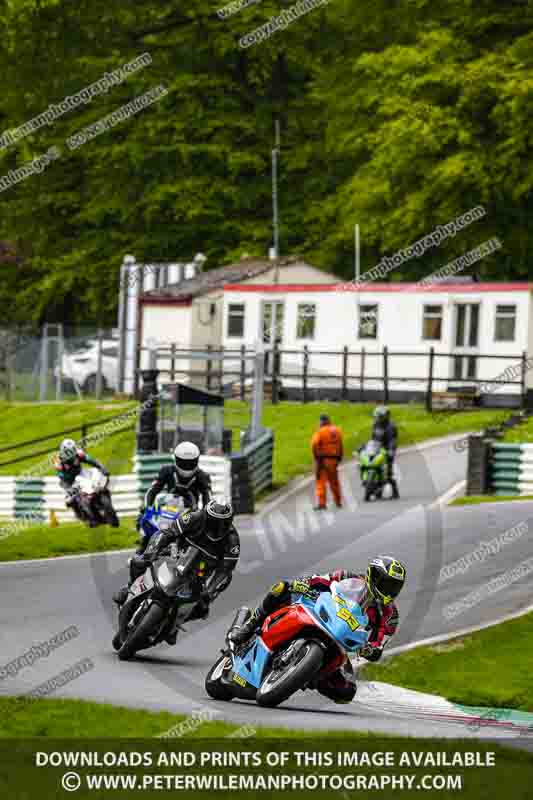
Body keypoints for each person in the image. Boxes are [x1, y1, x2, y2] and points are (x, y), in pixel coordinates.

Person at [229, 556, 406, 703]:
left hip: (340, 641)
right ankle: (248, 625)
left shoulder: (390, 615)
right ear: (374, 576)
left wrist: (371, 649)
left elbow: (379, 644)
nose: (389, 591)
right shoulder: (347, 577)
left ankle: (306, 675)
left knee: (346, 693)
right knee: (281, 588)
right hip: (317, 613)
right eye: (386, 584)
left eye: (394, 587)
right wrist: (303, 584)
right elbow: (320, 580)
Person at [114, 500, 240, 641]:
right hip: (177, 555)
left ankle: (175, 625)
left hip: (201, 573)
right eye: (213, 522)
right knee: (139, 561)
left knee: (202, 608)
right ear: (206, 517)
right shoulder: (194, 517)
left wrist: (209, 592)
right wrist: (151, 552)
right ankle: (130, 587)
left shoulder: (232, 540)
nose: (217, 527)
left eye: (222, 524)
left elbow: (225, 570)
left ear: (229, 522)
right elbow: (168, 532)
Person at [137, 441, 212, 534]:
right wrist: (147, 507)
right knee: (144, 522)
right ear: (176, 459)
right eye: (183, 462)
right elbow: (152, 490)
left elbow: (207, 497)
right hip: (167, 510)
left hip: (189, 515)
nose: (187, 466)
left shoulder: (202, 476)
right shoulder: (166, 470)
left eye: (190, 463)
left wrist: (205, 514)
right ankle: (145, 545)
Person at [55, 438, 111, 527]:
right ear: (63, 450)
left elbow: (91, 460)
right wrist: (70, 488)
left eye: (72, 450)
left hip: (81, 475)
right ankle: (83, 517)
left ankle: (104, 503)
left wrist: (101, 467)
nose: (71, 453)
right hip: (68, 481)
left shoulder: (79, 454)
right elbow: (60, 475)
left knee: (97, 482)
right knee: (70, 500)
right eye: (68, 451)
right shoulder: (59, 461)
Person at [311, 413, 343, 510]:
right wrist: (339, 458)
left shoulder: (320, 432)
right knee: (334, 482)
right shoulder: (337, 431)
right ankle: (338, 501)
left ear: (321, 421)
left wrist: (317, 457)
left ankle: (322, 503)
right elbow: (340, 445)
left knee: (321, 482)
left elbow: (314, 444)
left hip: (323, 460)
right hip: (334, 459)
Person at [371, 406, 399, 498]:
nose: (378, 418)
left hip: (388, 449)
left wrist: (390, 450)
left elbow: (392, 440)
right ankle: (377, 490)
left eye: (379, 416)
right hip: (377, 448)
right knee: (375, 468)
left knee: (387, 472)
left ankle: (395, 492)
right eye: (377, 416)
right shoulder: (375, 424)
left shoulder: (391, 426)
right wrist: (369, 446)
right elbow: (373, 437)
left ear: (385, 416)